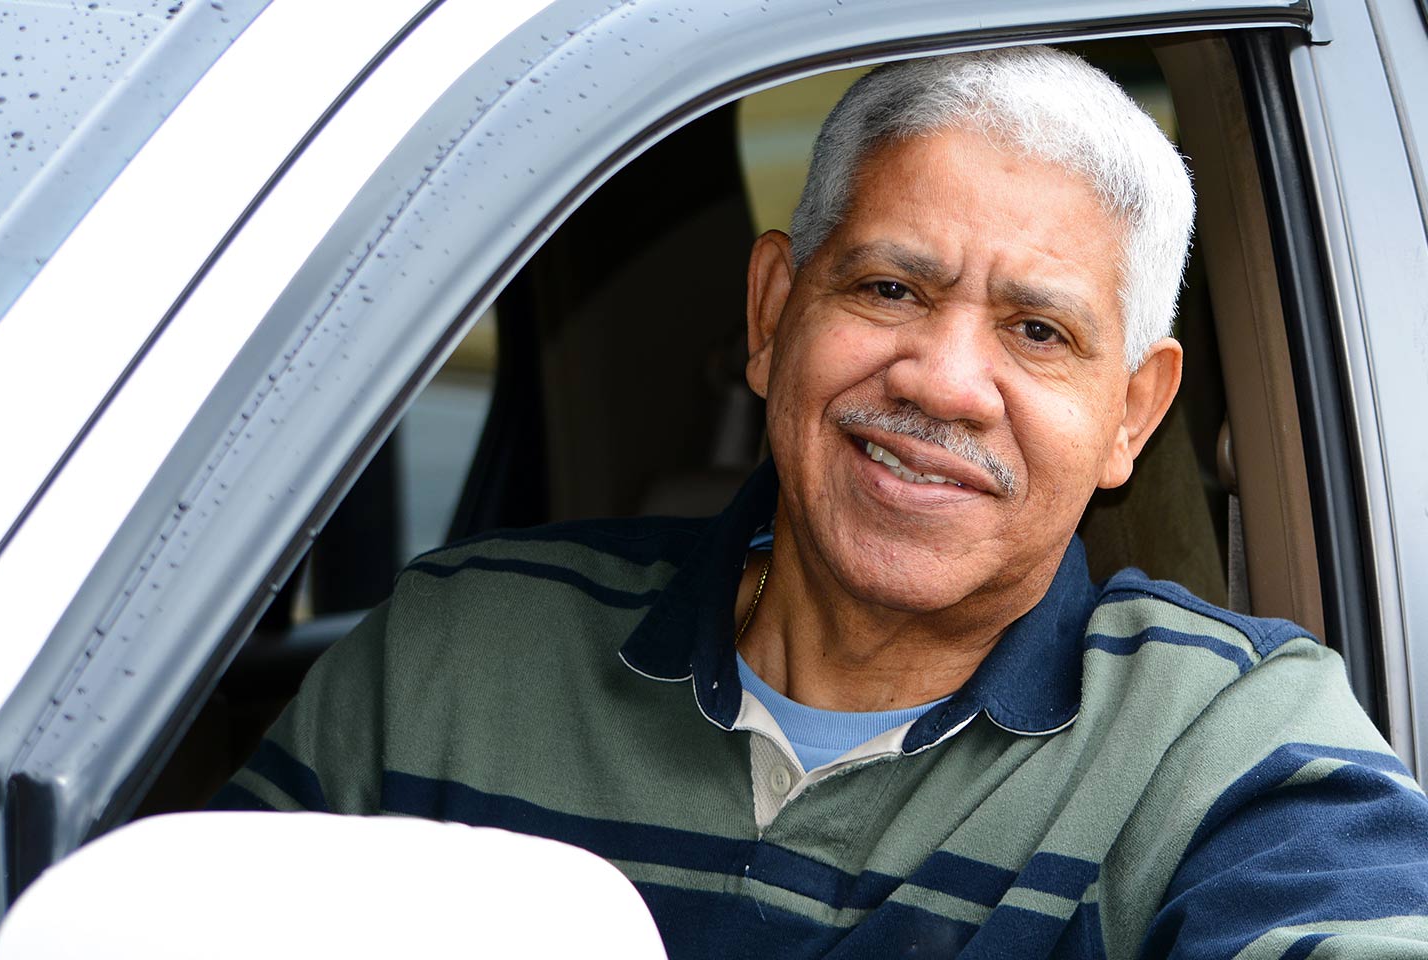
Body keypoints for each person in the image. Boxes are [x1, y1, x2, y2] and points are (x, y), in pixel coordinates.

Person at [217, 46, 1428, 958]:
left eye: (1038, 329)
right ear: (771, 314)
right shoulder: (453, 655)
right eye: (892, 288)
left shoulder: (1225, 746)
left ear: (1131, 416)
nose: (946, 379)